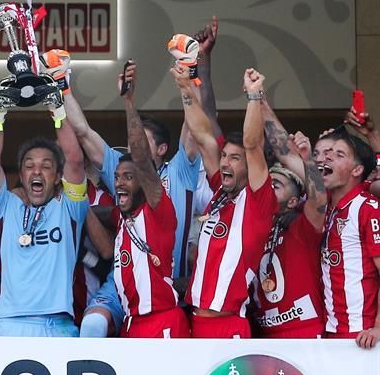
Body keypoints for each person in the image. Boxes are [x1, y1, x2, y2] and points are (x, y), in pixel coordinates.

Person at [63, 55, 202, 282]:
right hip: (130, 290)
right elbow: (83, 131)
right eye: (132, 138)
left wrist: (190, 75)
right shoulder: (121, 168)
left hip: (176, 287)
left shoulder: (180, 170)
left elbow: (195, 126)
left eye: (142, 139)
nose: (134, 144)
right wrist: (62, 87)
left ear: (162, 148)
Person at [82, 62, 188, 338]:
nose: (118, 182)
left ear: (144, 180)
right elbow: (104, 212)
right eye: (116, 177)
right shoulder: (122, 218)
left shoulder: (159, 210)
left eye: (128, 177)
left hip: (163, 322)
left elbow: (141, 159)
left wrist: (129, 102)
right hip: (132, 324)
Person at [175, 64, 277, 338]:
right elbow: (203, 137)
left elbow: (253, 145)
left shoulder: (258, 202)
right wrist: (186, 88)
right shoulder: (220, 192)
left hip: (228, 325)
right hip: (195, 322)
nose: (225, 163)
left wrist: (254, 97)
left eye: (235, 158)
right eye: (224, 156)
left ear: (250, 167)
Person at [0, 96, 89, 337]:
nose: (37, 171)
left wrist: (57, 110)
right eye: (29, 166)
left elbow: (75, 159)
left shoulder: (69, 208)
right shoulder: (3, 207)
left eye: (46, 166)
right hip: (11, 323)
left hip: (59, 323)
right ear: (21, 173)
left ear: (58, 175)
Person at [253, 99, 328, 338]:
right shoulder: (254, 225)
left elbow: (319, 200)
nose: (269, 189)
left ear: (294, 201)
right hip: (268, 334)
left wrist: (307, 161)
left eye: (276, 185)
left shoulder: (302, 224)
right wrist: (258, 100)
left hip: (305, 332)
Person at [318, 127, 380, 348]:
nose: (328, 156)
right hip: (330, 332)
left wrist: (378, 327)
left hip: (361, 336)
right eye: (328, 152)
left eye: (339, 154)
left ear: (357, 170)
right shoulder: (326, 207)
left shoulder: (368, 207)